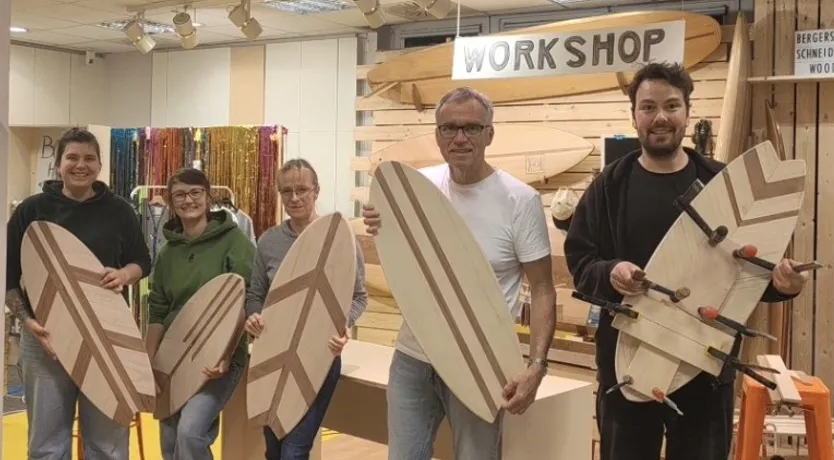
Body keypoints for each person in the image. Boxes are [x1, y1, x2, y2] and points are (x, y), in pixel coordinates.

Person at [563, 62, 808, 460]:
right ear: (635, 115)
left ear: (687, 113)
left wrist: (781, 285)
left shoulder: (722, 184)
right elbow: (580, 260)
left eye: (671, 106)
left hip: (705, 361)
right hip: (629, 358)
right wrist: (611, 272)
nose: (660, 117)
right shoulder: (609, 186)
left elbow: (749, 272)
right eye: (648, 107)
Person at [361, 87, 557, 460]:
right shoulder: (414, 190)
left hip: (480, 360)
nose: (460, 138)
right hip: (413, 358)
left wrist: (536, 366)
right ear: (437, 135)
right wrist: (381, 224)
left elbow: (544, 288)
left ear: (489, 134)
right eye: (449, 128)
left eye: (471, 128)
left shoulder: (520, 200)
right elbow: (405, 263)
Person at [5, 127, 152, 460]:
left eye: (89, 158)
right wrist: (28, 322)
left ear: (99, 166)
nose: (80, 165)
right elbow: (8, 275)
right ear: (59, 164)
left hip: (106, 337)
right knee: (46, 446)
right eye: (72, 157)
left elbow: (143, 260)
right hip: (46, 340)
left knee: (108, 445)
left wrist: (125, 274)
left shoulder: (119, 211)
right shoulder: (32, 210)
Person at [244, 158, 368, 460]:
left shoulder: (342, 241)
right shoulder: (269, 241)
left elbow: (359, 297)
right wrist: (254, 316)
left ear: (316, 191)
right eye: (286, 191)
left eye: (302, 189)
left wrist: (341, 324)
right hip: (272, 354)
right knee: (273, 445)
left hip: (318, 356)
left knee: (295, 448)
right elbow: (255, 294)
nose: (294, 198)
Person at [144, 167, 255, 460]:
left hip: (219, 359)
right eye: (179, 194)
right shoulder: (168, 252)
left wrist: (227, 354)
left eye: (195, 192)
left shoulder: (235, 242)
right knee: (170, 443)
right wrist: (149, 364)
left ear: (207, 198)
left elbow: (246, 301)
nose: (188, 200)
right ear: (170, 201)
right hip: (173, 354)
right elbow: (157, 310)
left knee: (190, 433)